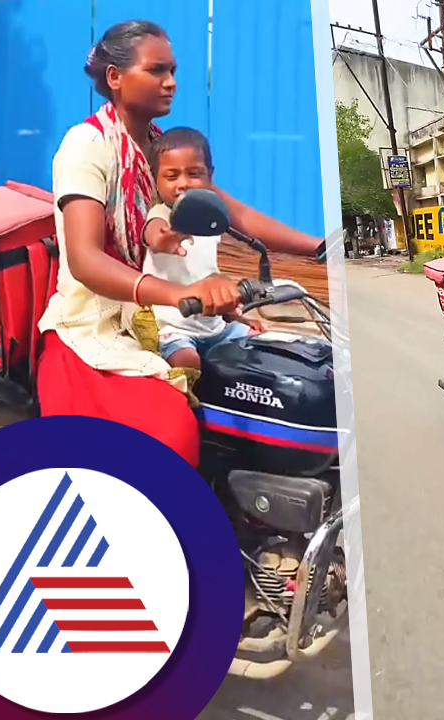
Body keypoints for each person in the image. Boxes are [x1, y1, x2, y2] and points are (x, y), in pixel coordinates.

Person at [39, 21, 323, 467]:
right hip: (95, 330)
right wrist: (182, 294)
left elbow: (236, 214)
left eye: (172, 71)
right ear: (115, 77)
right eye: (156, 70)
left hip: (154, 319)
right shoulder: (88, 145)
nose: (170, 82)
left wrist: (322, 247)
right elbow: (85, 259)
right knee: (171, 436)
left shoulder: (159, 150)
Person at [142, 127, 264, 372]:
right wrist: (163, 238)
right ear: (156, 179)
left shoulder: (212, 223)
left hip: (215, 326)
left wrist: (238, 316)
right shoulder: (162, 215)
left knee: (260, 350)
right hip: (175, 330)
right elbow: (153, 233)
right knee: (187, 361)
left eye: (194, 174)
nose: (183, 184)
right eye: (172, 176)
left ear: (210, 176)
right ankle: (186, 407)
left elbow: (208, 272)